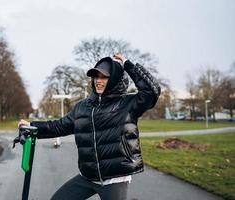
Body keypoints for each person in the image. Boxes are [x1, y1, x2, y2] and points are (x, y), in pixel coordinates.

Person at [18, 53, 161, 200]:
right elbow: (59, 126)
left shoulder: (128, 104)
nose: (99, 81)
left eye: (104, 77)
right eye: (96, 77)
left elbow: (151, 90)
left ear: (115, 78)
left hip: (114, 178)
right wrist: (32, 126)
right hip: (87, 176)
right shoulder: (82, 107)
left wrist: (127, 64)